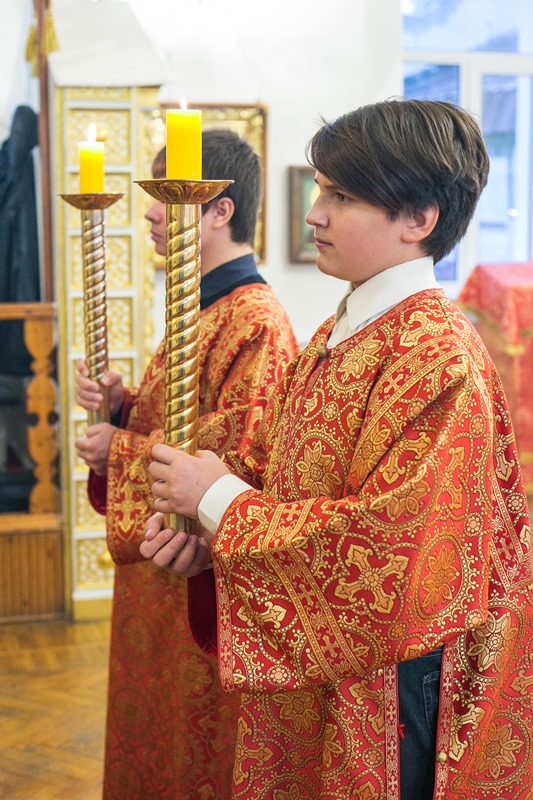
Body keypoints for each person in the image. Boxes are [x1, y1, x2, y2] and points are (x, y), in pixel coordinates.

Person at [141, 99, 533, 800]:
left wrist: (220, 501)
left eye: (342, 196)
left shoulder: (437, 354)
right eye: (321, 189)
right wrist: (211, 533)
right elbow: (289, 475)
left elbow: (388, 553)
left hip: (388, 693)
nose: (313, 213)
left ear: (419, 218)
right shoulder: (336, 330)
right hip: (318, 676)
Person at [74, 129, 298, 800]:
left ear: (218, 210)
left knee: (195, 754)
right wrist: (123, 410)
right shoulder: (204, 307)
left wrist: (118, 450)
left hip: (196, 573)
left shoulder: (256, 321)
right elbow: (187, 426)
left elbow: (240, 467)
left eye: (165, 197)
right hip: (158, 579)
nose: (147, 213)